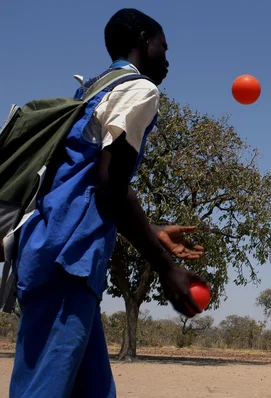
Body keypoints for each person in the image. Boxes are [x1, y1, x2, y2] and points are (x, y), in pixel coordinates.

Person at [9, 8, 208, 398]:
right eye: (163, 47)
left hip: (57, 254)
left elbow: (84, 184)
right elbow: (107, 185)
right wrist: (167, 269)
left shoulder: (94, 89)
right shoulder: (138, 89)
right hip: (68, 258)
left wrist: (148, 229)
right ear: (143, 40)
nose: (167, 59)